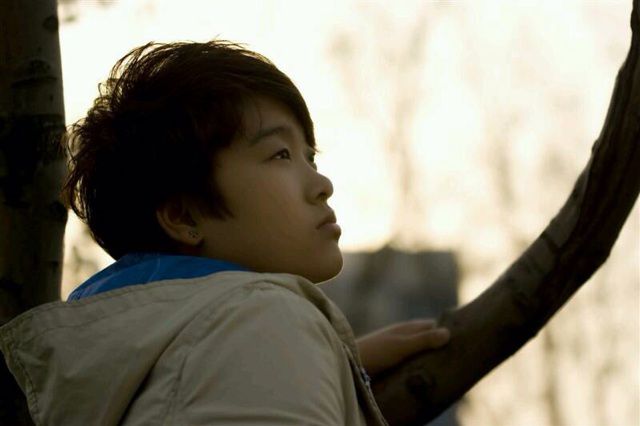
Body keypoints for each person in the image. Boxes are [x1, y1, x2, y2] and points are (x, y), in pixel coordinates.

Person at [0, 40, 450, 425]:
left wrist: (333, 369)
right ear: (184, 216)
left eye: (310, 157)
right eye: (280, 154)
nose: (322, 184)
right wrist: (285, 349)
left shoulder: (108, 373)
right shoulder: (266, 318)